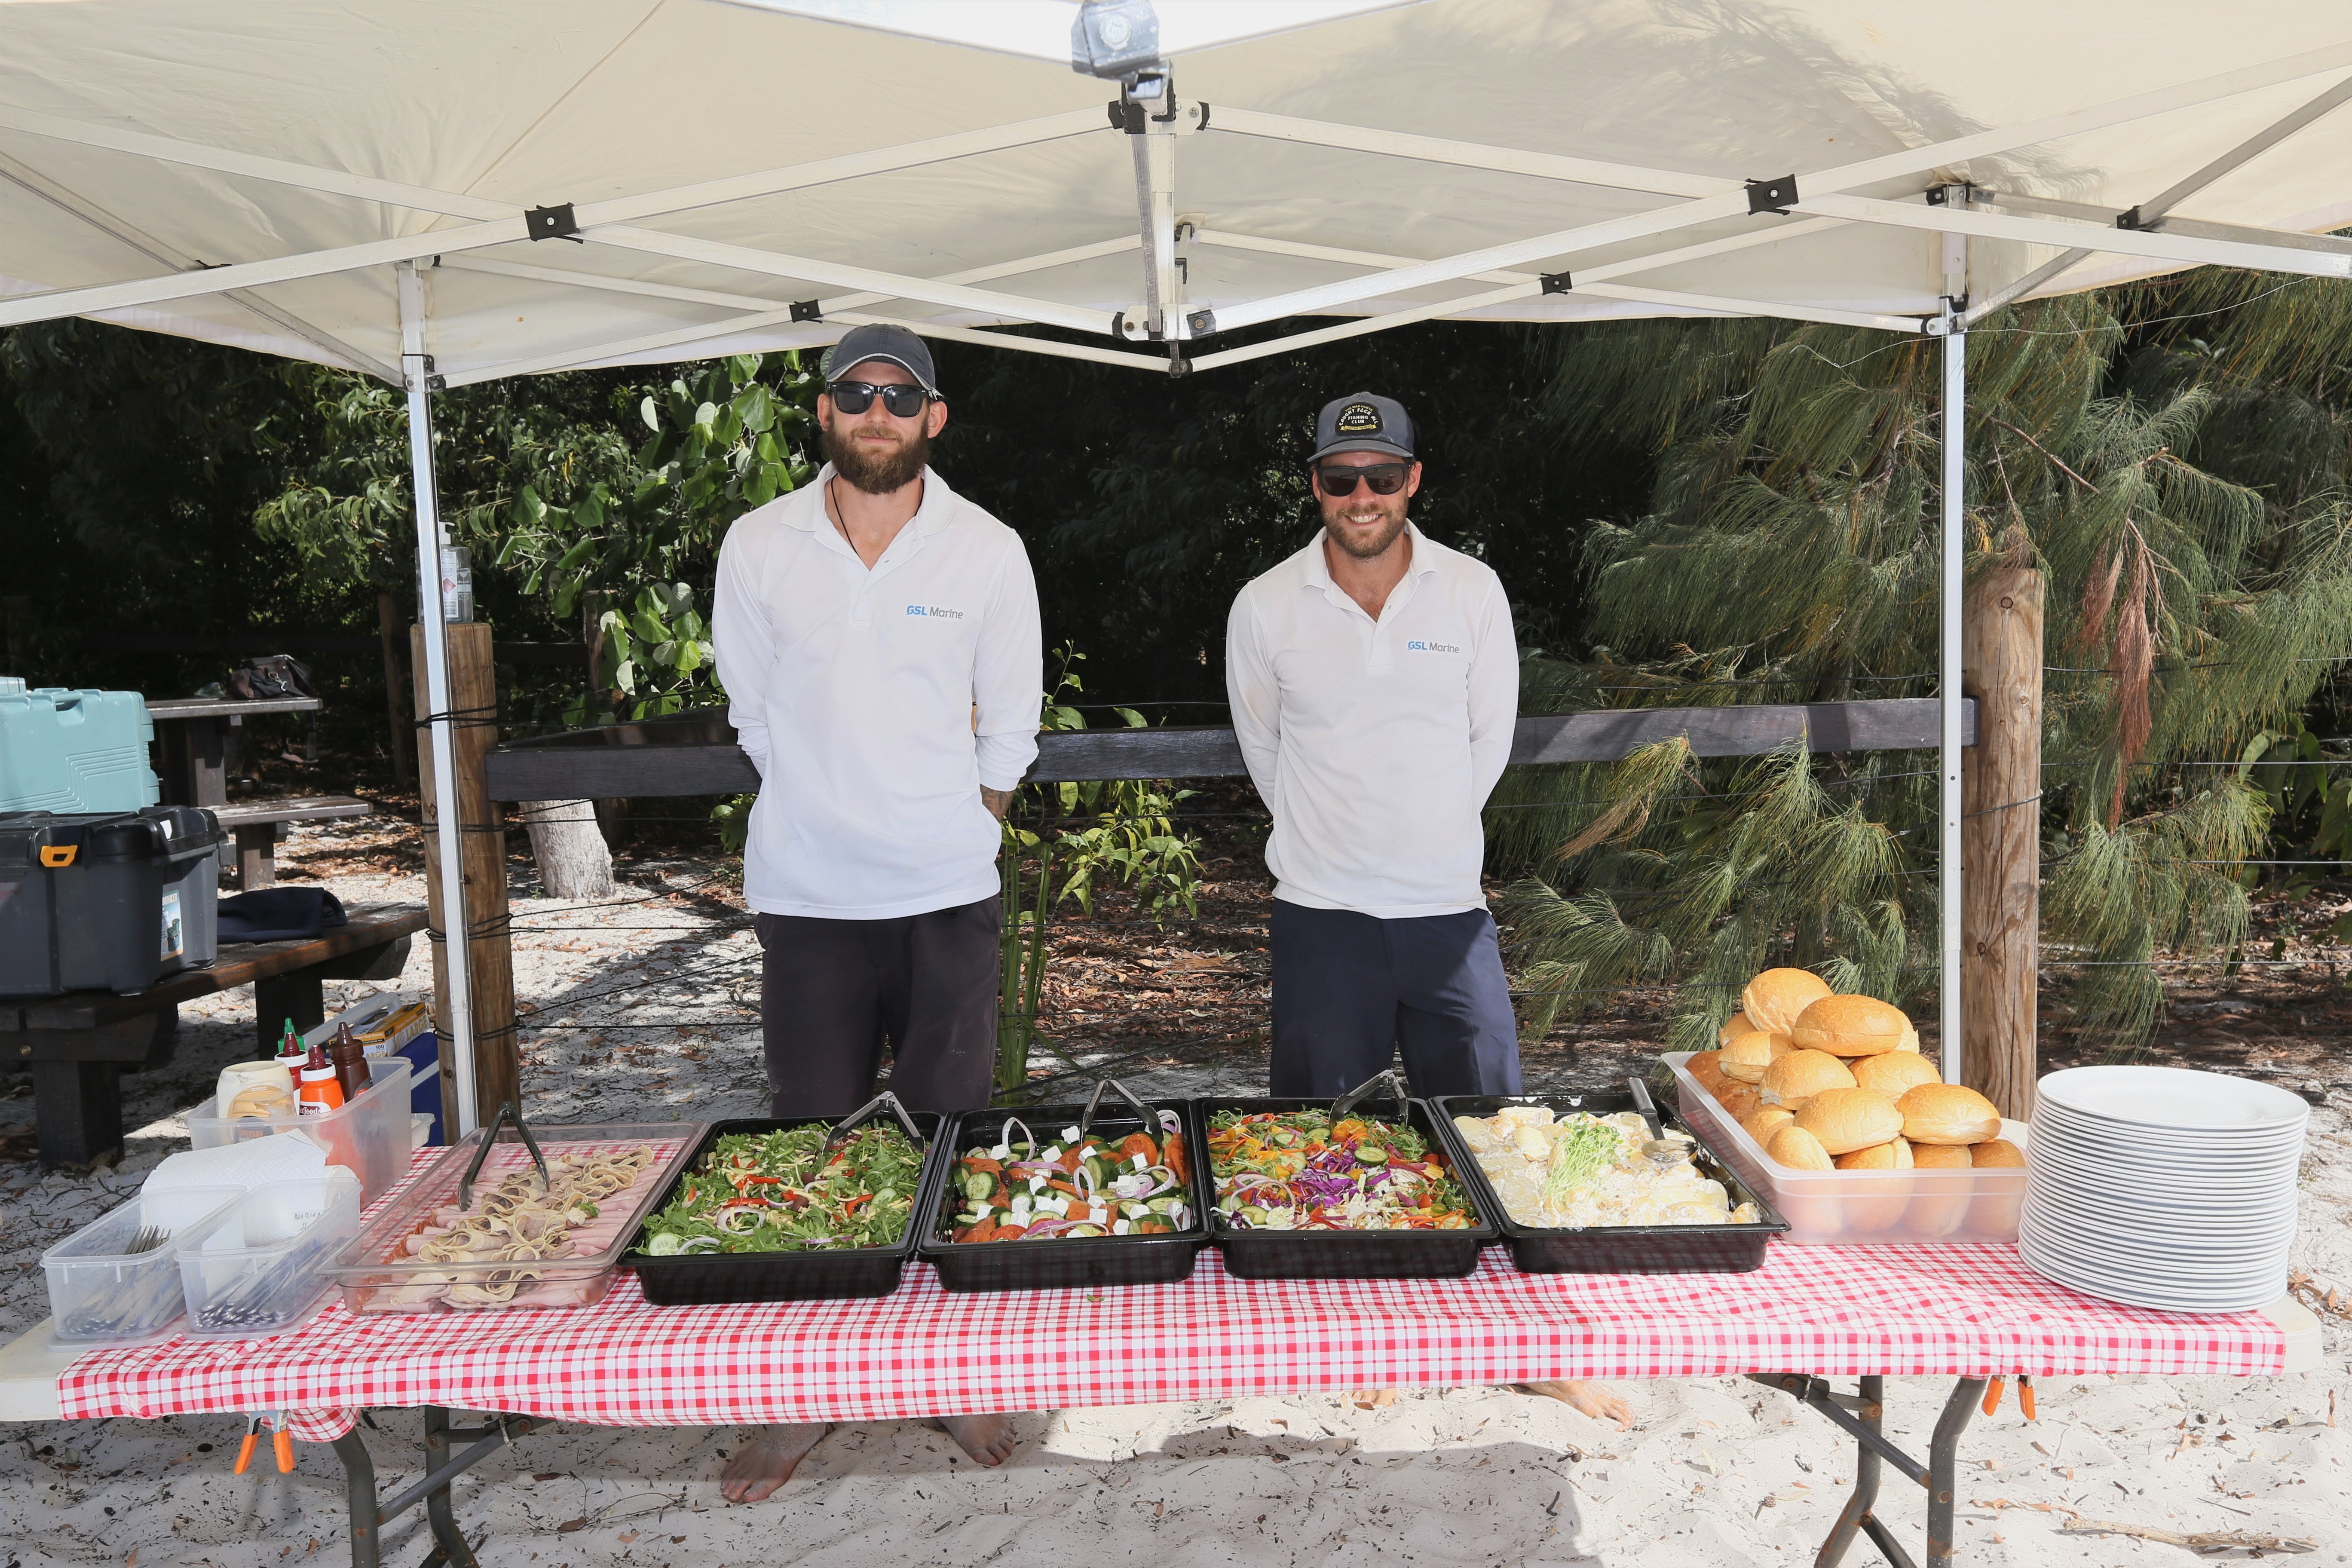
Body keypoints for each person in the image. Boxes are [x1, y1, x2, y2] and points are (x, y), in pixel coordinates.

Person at [1224, 392, 1629, 1429]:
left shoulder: (1474, 592)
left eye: (1383, 476)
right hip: (1322, 915)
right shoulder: (1266, 605)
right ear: (1314, 485)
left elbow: (1484, 747)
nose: (1362, 497)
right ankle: (1349, 1336)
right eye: (1340, 478)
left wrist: (1421, 838)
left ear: (1415, 480)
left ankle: (1529, 1345)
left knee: (1495, 1130)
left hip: (1450, 916)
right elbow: (1266, 756)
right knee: (1323, 1147)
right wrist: (1341, 846)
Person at [710, 323, 1038, 1500]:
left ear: (934, 418)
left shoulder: (989, 551)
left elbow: (1011, 723)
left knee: (949, 1136)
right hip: (807, 894)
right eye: (857, 393)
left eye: (902, 396)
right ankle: (810, 1397)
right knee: (816, 1147)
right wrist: (829, 805)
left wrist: (961, 824)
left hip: (948, 891)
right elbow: (752, 710)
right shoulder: (758, 546)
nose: (879, 411)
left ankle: (948, 1376)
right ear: (824, 411)